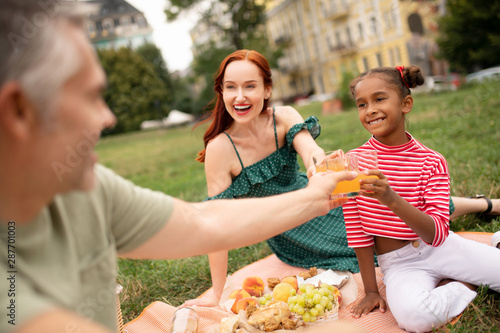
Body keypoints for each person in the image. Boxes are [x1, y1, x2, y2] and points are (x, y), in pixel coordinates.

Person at [0, 2, 359, 333]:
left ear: (267, 89)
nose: (108, 118)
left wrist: (317, 195)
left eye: (250, 86)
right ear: (19, 111)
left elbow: (206, 222)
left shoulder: (92, 189)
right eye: (90, 96)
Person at [182, 49, 499, 309]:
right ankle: (470, 236)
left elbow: (311, 154)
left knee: (401, 200)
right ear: (221, 91)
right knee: (381, 235)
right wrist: (216, 289)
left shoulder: (284, 117)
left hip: (323, 197)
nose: (241, 96)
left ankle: (487, 205)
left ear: (266, 89)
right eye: (231, 87)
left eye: (250, 86)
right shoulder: (220, 150)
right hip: (294, 230)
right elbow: (216, 225)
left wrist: (321, 169)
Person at [343, 65, 500, 332]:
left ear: (406, 103)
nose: (369, 109)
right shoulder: (353, 164)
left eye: (379, 99)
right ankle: (464, 284)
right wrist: (371, 290)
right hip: (399, 264)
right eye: (362, 104)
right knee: (415, 318)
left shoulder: (431, 161)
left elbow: (437, 235)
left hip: (440, 248)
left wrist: (392, 199)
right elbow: (358, 231)